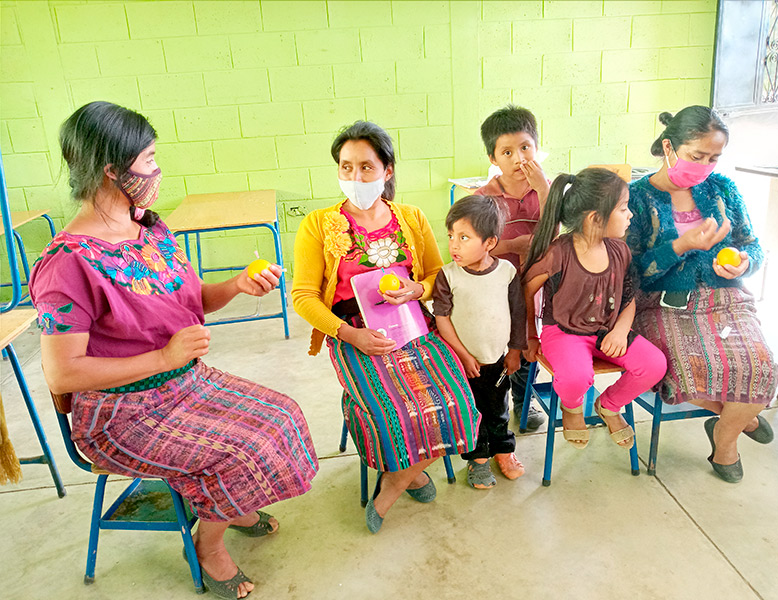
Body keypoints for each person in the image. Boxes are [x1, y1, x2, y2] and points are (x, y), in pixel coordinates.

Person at [29, 102, 318, 600]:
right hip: (121, 413)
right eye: (148, 159)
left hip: (184, 382)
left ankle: (230, 502)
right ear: (112, 169)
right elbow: (62, 374)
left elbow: (189, 299)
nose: (157, 170)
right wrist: (164, 358)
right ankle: (209, 547)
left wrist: (237, 285)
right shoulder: (66, 263)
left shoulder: (149, 230)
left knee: (284, 415)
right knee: (239, 450)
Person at [291, 121, 479, 534]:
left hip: (412, 324)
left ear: (387, 171)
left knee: (459, 407)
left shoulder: (410, 218)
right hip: (354, 332)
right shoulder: (318, 224)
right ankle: (411, 471)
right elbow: (303, 295)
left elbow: (435, 275)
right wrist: (350, 335)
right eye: (346, 168)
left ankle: (396, 481)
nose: (355, 178)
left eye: (366, 168)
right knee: (392, 414)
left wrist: (417, 288)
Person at [626, 106, 778, 483]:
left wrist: (745, 264)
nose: (706, 165)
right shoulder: (636, 198)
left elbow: (753, 245)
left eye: (714, 158)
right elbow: (629, 271)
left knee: (762, 370)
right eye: (697, 156)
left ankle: (724, 437)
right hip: (664, 304)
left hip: (726, 301)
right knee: (687, 371)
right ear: (669, 147)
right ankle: (740, 418)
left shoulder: (722, 188)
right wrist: (678, 246)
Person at [522, 168, 667, 449]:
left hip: (607, 333)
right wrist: (530, 335)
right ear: (594, 218)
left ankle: (609, 405)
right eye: (623, 209)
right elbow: (526, 289)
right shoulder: (558, 253)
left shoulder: (620, 250)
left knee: (654, 364)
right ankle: (572, 408)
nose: (630, 215)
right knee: (577, 377)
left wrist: (621, 331)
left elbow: (628, 296)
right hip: (564, 332)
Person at [433, 195, 526, 489]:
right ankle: (478, 459)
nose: (454, 245)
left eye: (464, 237)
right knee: (469, 412)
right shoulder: (448, 276)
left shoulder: (507, 273)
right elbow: (442, 319)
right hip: (461, 363)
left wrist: (514, 351)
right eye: (451, 236)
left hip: (496, 359)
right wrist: (462, 355)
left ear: (489, 243)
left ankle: (503, 451)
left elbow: (518, 315)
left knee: (498, 407)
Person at [476, 105, 550, 430]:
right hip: (498, 289)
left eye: (525, 148)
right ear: (493, 158)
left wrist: (545, 188)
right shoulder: (483, 198)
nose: (519, 159)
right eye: (507, 152)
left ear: (536, 147)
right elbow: (473, 248)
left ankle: (524, 397)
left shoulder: (548, 189)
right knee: (504, 344)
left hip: (539, 286)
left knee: (531, 341)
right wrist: (511, 247)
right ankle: (499, 403)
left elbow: (556, 235)